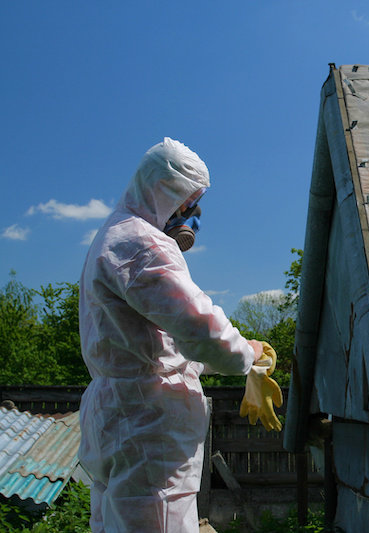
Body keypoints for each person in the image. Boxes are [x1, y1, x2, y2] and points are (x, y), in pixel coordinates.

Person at [78, 137, 265, 532]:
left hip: (117, 415)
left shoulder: (111, 236)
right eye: (189, 203)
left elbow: (151, 346)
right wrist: (245, 354)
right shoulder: (144, 244)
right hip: (147, 425)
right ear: (168, 193)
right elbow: (203, 330)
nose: (192, 215)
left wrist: (211, 362)